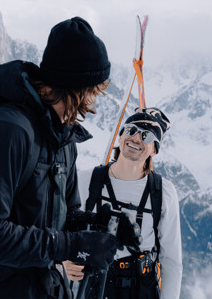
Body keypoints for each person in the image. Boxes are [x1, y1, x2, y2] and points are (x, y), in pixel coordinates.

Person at [0, 17, 142, 299]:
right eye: (95, 90)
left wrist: (101, 225)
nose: (96, 100)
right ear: (80, 87)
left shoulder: (62, 139)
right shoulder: (7, 132)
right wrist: (72, 246)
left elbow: (65, 218)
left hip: (37, 287)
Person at [66, 107, 182, 298]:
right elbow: (60, 226)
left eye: (146, 136)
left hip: (142, 286)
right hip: (97, 281)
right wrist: (63, 261)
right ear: (120, 136)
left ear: (154, 149)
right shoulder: (87, 180)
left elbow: (171, 260)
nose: (136, 139)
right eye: (131, 130)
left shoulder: (163, 192)